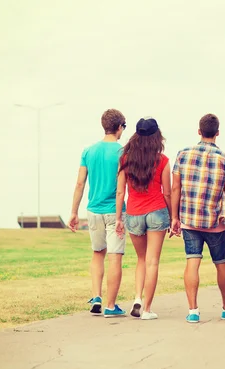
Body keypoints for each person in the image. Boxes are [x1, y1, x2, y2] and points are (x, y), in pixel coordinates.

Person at [170, 113, 225, 323]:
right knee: (221, 264)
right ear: (217, 133)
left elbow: (175, 188)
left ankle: (193, 310)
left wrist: (174, 217)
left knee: (192, 262)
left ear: (199, 131)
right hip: (216, 222)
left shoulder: (182, 155)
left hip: (190, 219)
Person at [68, 108, 127, 318]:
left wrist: (74, 212)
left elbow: (79, 184)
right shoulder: (123, 152)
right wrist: (120, 216)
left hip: (93, 211)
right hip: (114, 211)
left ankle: (96, 297)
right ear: (119, 127)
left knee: (97, 253)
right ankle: (111, 306)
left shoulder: (88, 151)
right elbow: (121, 188)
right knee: (115, 257)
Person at [115, 117, 171, 321]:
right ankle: (147, 309)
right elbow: (167, 193)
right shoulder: (162, 160)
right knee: (152, 261)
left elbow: (120, 192)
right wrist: (173, 217)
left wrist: (119, 218)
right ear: (157, 136)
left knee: (141, 259)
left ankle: (138, 298)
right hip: (156, 211)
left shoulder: (125, 159)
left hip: (134, 213)